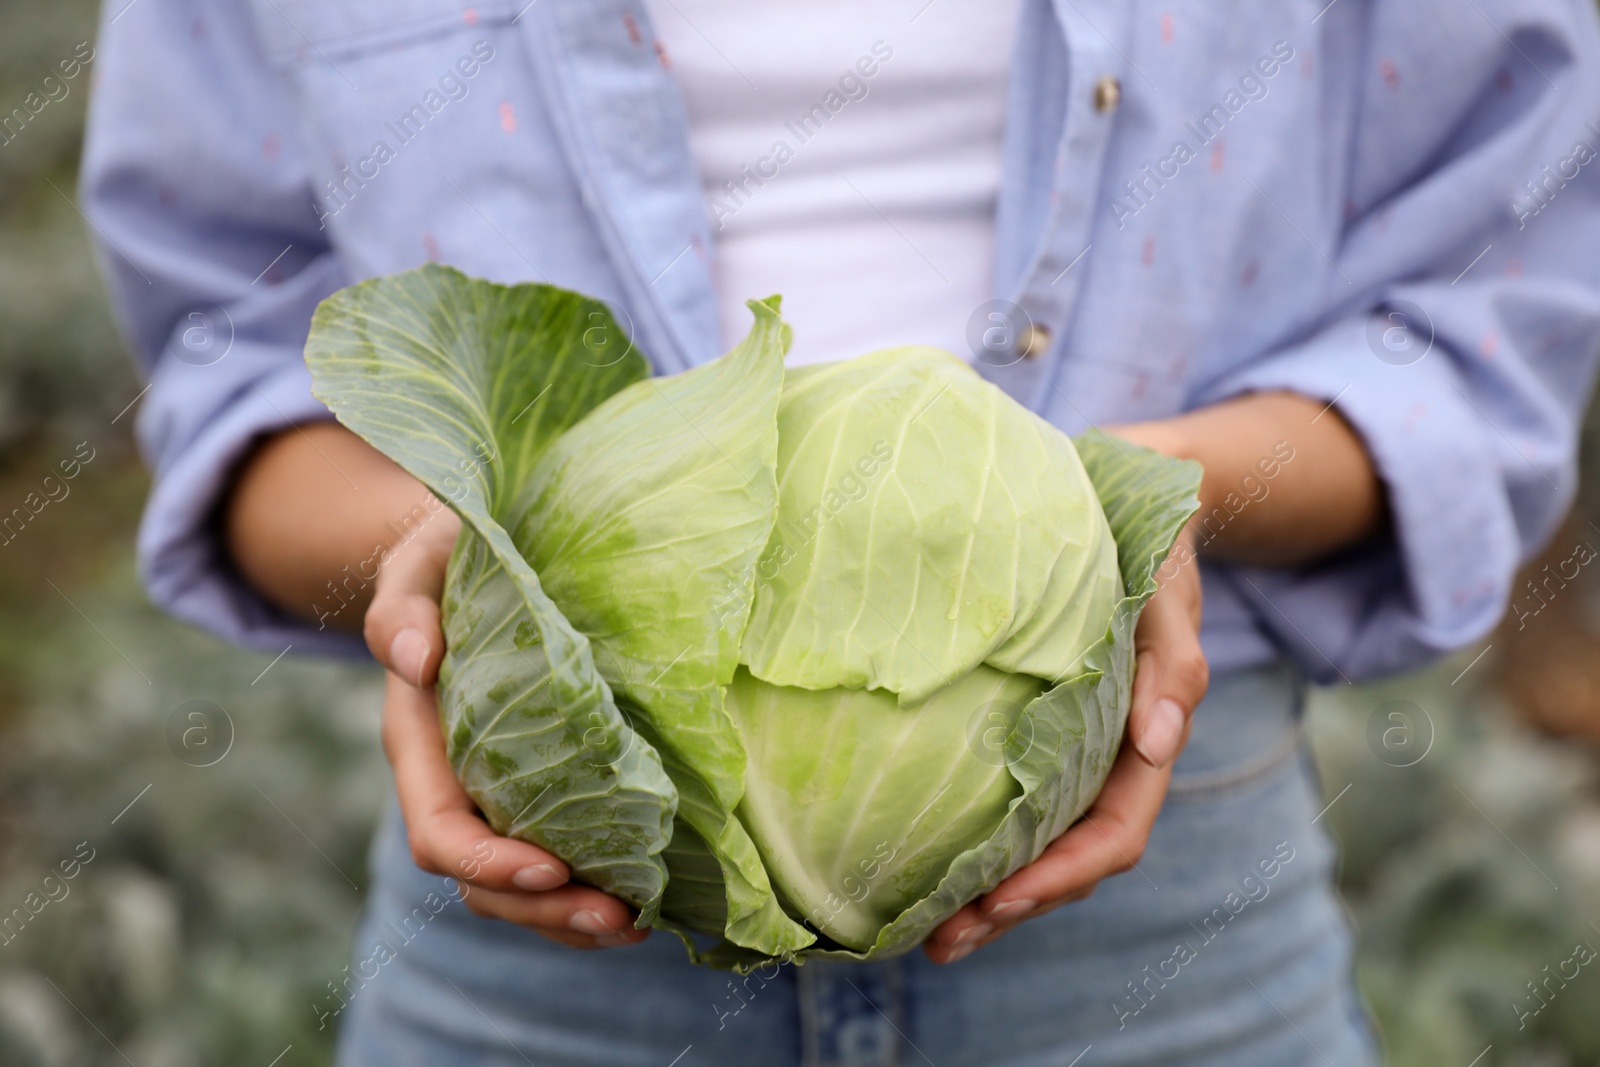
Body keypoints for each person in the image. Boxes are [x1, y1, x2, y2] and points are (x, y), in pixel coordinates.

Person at [82, 0, 1600, 1063]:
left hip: (1170, 896)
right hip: (530, 909)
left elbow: (1483, 306)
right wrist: (449, 561)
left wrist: (1141, 507)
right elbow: (235, 367)